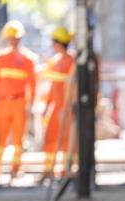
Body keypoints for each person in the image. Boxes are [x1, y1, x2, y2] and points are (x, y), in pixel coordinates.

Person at [0, 21, 36, 180]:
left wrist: (30, 105)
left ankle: (16, 170)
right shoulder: (1, 58)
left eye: (15, 38)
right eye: (11, 38)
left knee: (18, 140)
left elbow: (32, 85)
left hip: (19, 103)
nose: (13, 41)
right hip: (2, 103)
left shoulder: (28, 59)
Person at [40, 26, 75, 180]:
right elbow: (52, 87)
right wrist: (47, 106)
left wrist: (68, 106)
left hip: (65, 107)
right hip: (55, 107)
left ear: (60, 43)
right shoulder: (54, 61)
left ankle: (65, 171)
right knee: (50, 138)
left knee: (67, 140)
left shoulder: (70, 61)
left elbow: (72, 87)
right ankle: (48, 170)